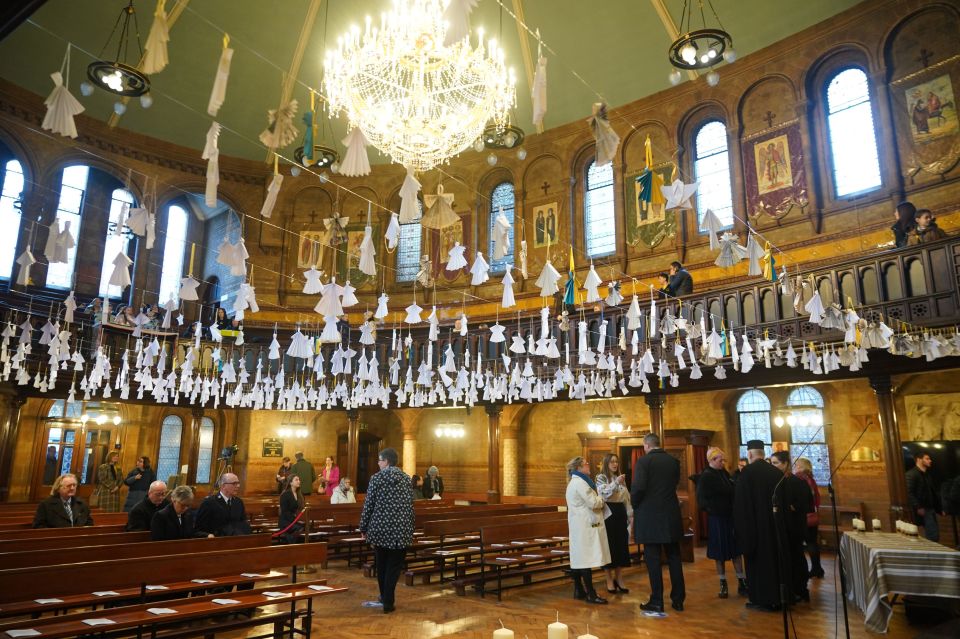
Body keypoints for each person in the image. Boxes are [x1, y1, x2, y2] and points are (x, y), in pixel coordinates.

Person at [631, 432, 685, 613]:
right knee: (674, 558)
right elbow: (675, 484)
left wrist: (635, 504)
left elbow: (638, 488)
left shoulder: (644, 462)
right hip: (670, 514)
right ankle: (678, 599)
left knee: (653, 559)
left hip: (650, 517)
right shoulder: (673, 461)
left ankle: (656, 600)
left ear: (646, 445)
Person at [359, 448, 414, 614]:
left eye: (379, 460)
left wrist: (363, 526)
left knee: (381, 565)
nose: (378, 463)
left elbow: (369, 504)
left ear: (386, 461)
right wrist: (410, 528)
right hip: (401, 530)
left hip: (380, 528)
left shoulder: (376, 478)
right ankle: (387, 600)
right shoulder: (406, 479)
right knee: (394, 568)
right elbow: (411, 506)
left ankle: (386, 599)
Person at [734, 439, 787, 612]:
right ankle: (778, 597)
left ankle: (760, 599)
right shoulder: (776, 472)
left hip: (754, 529)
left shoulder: (746, 473)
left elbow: (742, 505)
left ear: (749, 454)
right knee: (775, 562)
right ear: (763, 454)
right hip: (774, 527)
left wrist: (741, 530)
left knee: (757, 565)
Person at [696, 447, 746, 599]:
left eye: (723, 460)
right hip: (717, 518)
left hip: (729, 517)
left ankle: (742, 582)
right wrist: (712, 509)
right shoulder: (706, 476)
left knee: (736, 551)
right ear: (711, 460)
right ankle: (723, 583)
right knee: (719, 553)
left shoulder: (723, 473)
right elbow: (701, 499)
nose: (723, 463)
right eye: (720, 460)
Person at [771, 451, 813, 603]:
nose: (773, 466)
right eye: (772, 463)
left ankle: (800, 589)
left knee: (796, 557)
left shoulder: (796, 482)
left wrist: (792, 507)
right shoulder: (777, 482)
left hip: (795, 527)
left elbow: (807, 504)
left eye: (775, 463)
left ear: (785, 464)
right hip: (782, 527)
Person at [595, 453, 631, 595]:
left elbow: (626, 497)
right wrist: (616, 483)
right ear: (606, 463)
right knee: (609, 547)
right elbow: (604, 494)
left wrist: (630, 515)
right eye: (612, 462)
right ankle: (609, 579)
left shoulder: (619, 477)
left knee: (621, 546)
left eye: (616, 462)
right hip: (608, 514)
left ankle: (619, 578)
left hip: (620, 513)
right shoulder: (601, 477)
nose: (615, 464)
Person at [793, 457, 824, 579]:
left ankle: (808, 570)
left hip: (803, 515)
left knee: (806, 544)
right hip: (811, 512)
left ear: (800, 467)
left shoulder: (800, 478)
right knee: (812, 543)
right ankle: (817, 568)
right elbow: (817, 498)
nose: (794, 467)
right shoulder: (810, 478)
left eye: (796, 465)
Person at [195, 473, 252, 537]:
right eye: (234, 483)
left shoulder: (238, 502)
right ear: (223, 486)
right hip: (216, 541)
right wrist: (207, 535)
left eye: (238, 483)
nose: (238, 486)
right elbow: (198, 529)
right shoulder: (209, 503)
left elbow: (243, 523)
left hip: (236, 539)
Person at [906, 452, 942, 542]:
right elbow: (909, 492)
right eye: (927, 458)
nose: (930, 461)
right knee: (933, 536)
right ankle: (933, 554)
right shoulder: (912, 474)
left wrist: (940, 509)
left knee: (934, 534)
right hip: (923, 509)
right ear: (919, 459)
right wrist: (918, 507)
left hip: (930, 508)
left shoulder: (926, 475)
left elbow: (932, 493)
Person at [278, 475, 305, 543]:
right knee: (299, 527)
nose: (299, 481)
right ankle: (291, 546)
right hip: (285, 521)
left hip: (294, 520)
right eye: (296, 480)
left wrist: (301, 519)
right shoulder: (285, 495)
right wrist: (296, 521)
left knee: (307, 526)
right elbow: (285, 512)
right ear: (290, 483)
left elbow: (301, 509)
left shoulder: (299, 494)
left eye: (299, 480)